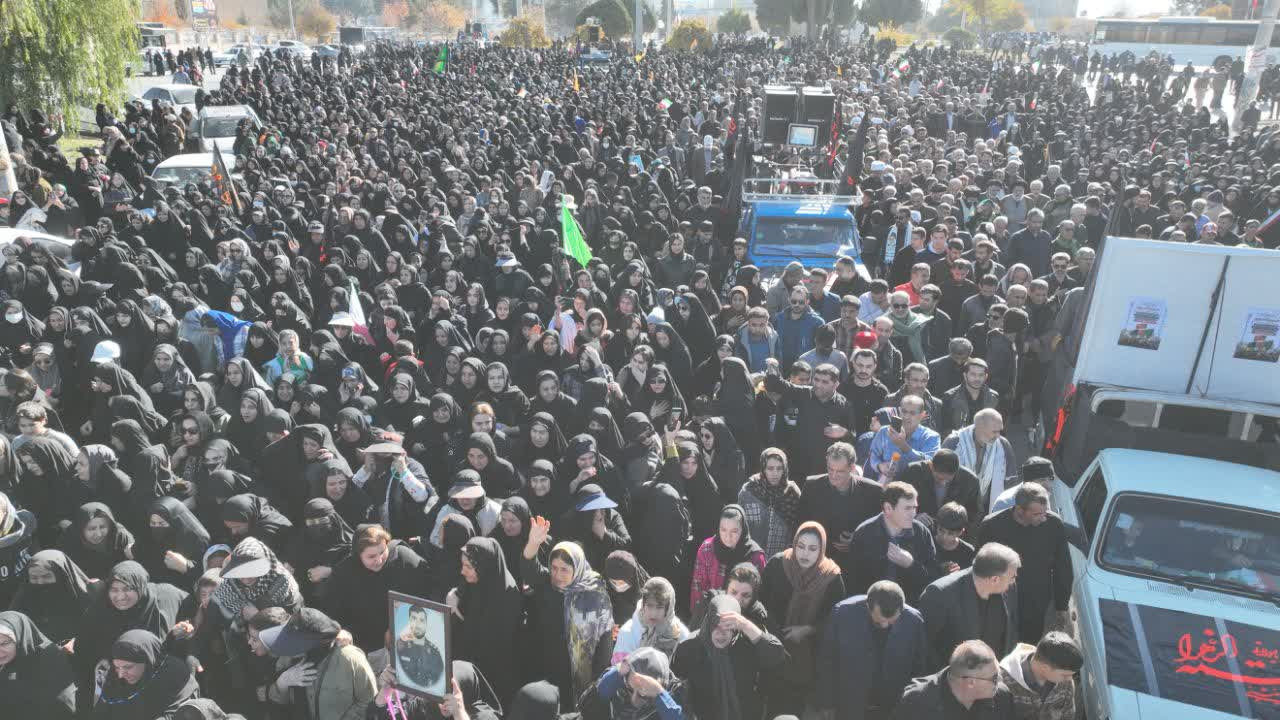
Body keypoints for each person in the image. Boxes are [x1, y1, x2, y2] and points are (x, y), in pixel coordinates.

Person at [521, 517, 615, 710]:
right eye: (554, 568)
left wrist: (598, 682)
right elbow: (529, 568)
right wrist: (533, 543)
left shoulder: (595, 594)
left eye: (565, 569)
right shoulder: (548, 584)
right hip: (550, 666)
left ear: (577, 568)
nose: (557, 575)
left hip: (583, 673)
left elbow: (604, 638)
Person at [759, 521, 846, 717]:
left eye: (813, 549)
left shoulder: (831, 577)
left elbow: (835, 619)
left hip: (807, 659)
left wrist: (807, 630)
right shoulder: (778, 564)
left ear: (822, 549)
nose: (805, 554)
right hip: (772, 650)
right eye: (801, 546)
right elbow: (760, 603)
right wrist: (774, 633)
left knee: (794, 708)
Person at [815, 581, 927, 720]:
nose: (884, 626)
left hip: (892, 706)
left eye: (891, 622)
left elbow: (918, 667)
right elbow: (827, 660)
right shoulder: (842, 614)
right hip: (849, 704)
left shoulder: (914, 621)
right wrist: (826, 703)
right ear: (868, 606)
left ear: (902, 609)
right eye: (878, 622)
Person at [975, 484, 1072, 644]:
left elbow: (1063, 567)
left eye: (1045, 512)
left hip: (1035, 601)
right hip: (999, 598)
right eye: (1037, 514)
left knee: (1028, 644)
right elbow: (979, 566)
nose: (1044, 518)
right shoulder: (992, 526)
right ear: (1020, 510)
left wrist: (1062, 606)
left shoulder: (1054, 524)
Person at [671, 593, 785, 720]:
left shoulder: (746, 644)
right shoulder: (690, 647)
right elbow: (674, 687)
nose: (721, 634)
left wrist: (745, 625)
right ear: (709, 623)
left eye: (728, 627)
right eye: (716, 626)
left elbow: (777, 655)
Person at [259, 607, 377, 720]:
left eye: (292, 642)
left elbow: (368, 701)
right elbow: (272, 700)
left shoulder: (351, 659)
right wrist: (283, 682)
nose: (286, 647)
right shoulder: (288, 659)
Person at [918, 542, 1021, 668]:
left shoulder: (1009, 588)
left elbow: (1011, 633)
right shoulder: (940, 594)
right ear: (995, 579)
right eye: (1013, 576)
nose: (1014, 580)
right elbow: (924, 648)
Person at [449, 536, 523, 704]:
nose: (462, 571)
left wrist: (459, 615)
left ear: (484, 566)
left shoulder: (506, 596)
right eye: (463, 565)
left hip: (494, 675)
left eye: (468, 567)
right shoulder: (479, 579)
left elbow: (493, 645)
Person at [798, 442, 882, 579]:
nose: (833, 475)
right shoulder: (812, 486)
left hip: (857, 568)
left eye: (840, 471)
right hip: (818, 564)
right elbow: (800, 525)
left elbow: (880, 531)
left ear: (852, 467)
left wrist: (857, 541)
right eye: (830, 469)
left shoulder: (873, 492)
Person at [849, 482, 939, 602]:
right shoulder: (864, 534)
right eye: (907, 508)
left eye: (914, 507)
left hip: (910, 606)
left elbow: (933, 579)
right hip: (871, 606)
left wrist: (911, 565)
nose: (913, 513)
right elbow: (854, 581)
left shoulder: (922, 533)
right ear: (888, 508)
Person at [893, 640, 1016, 719]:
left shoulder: (1002, 698)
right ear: (971, 682)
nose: (1000, 680)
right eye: (994, 677)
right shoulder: (916, 701)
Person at [0, 610, 78, 720]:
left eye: (5, 643)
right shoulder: (7, 659)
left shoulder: (50, 660)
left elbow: (63, 707)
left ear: (20, 635)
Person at [688, 504, 766, 608]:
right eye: (723, 530)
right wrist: (698, 613)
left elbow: (758, 595)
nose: (728, 536)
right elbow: (698, 586)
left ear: (743, 529)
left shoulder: (755, 555)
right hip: (711, 610)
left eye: (734, 531)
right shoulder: (707, 549)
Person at [578, 647, 685, 720]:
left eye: (642, 695)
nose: (634, 699)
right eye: (630, 689)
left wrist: (659, 694)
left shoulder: (674, 693)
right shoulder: (618, 677)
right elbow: (585, 710)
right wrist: (616, 674)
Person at [943, 408, 1017, 513]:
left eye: (999, 431)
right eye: (994, 431)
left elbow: (1011, 482)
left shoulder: (1003, 445)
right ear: (979, 427)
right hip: (956, 507)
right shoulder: (954, 443)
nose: (998, 436)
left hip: (988, 508)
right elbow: (940, 478)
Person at [998, 631, 1080, 720]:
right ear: (1045, 668)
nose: (1069, 679)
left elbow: (1068, 716)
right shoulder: (1004, 682)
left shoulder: (1065, 683)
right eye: (1065, 675)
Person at [899, 449, 982, 535]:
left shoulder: (970, 481)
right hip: (917, 533)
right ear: (930, 465)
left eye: (948, 480)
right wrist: (913, 517)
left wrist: (955, 532)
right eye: (939, 478)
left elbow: (975, 515)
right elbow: (897, 502)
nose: (943, 483)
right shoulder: (913, 472)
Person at [865, 395, 940, 483]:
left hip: (916, 486)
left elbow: (931, 464)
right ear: (899, 411)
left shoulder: (931, 437)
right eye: (904, 411)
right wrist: (880, 466)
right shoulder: (885, 431)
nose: (907, 416)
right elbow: (873, 454)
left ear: (922, 415)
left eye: (912, 413)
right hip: (886, 485)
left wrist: (903, 446)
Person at [613, 576, 690, 662]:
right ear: (643, 605)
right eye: (650, 606)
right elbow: (619, 668)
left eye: (659, 607)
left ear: (668, 609)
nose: (653, 614)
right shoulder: (628, 633)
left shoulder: (681, 634)